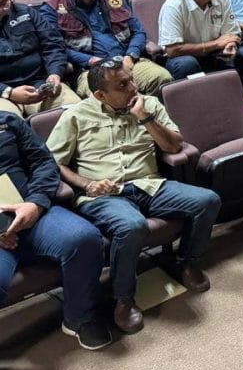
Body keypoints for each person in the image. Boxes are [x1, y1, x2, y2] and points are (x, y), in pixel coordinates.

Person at [49, 59, 220, 334]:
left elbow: (174, 145)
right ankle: (123, 298)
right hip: (105, 194)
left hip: (149, 185)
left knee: (207, 200)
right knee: (132, 226)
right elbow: (53, 162)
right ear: (100, 95)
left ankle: (188, 262)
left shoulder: (149, 104)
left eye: (131, 79)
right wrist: (85, 183)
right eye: (122, 85)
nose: (133, 87)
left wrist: (145, 117)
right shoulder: (75, 116)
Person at [0, 111, 111, 350]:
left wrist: (36, 202)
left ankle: (79, 317)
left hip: (30, 211)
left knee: (84, 239)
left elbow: (43, 162)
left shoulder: (7, 120)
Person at [41, 0, 173, 96]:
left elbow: (138, 32)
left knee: (162, 78)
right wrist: (90, 61)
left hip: (125, 61)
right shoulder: (52, 10)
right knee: (105, 95)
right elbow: (57, 48)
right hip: (89, 70)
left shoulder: (115, 0)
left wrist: (131, 55)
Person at [157, 0, 243, 91]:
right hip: (185, 56)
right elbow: (172, 50)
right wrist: (215, 44)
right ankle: (197, 107)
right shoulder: (174, 6)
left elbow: (231, 33)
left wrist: (230, 45)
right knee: (186, 64)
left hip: (215, 53)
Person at [0, 0, 81, 116]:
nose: (3, 9)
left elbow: (53, 44)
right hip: (3, 93)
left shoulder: (27, 13)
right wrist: (8, 92)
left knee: (76, 110)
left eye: (5, 2)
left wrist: (55, 73)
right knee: (7, 126)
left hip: (40, 83)